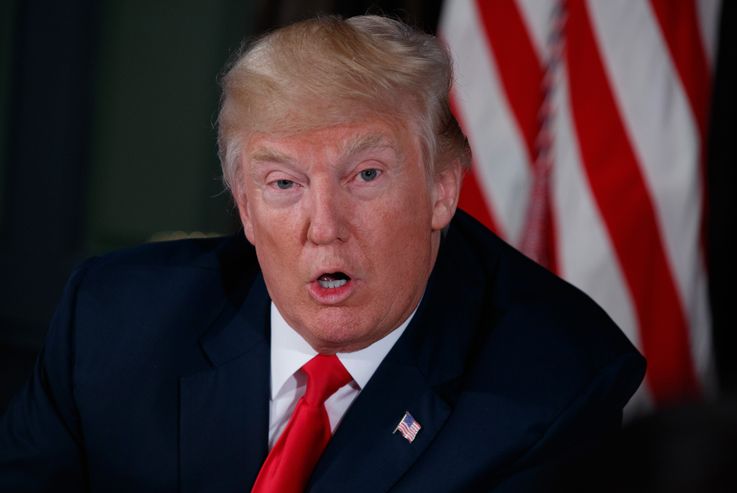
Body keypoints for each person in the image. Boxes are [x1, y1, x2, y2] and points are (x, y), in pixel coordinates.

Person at [0, 14, 645, 492]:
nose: (324, 227)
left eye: (365, 175)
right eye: (284, 184)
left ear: (442, 189)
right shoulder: (112, 324)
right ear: (245, 208)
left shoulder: (557, 389)